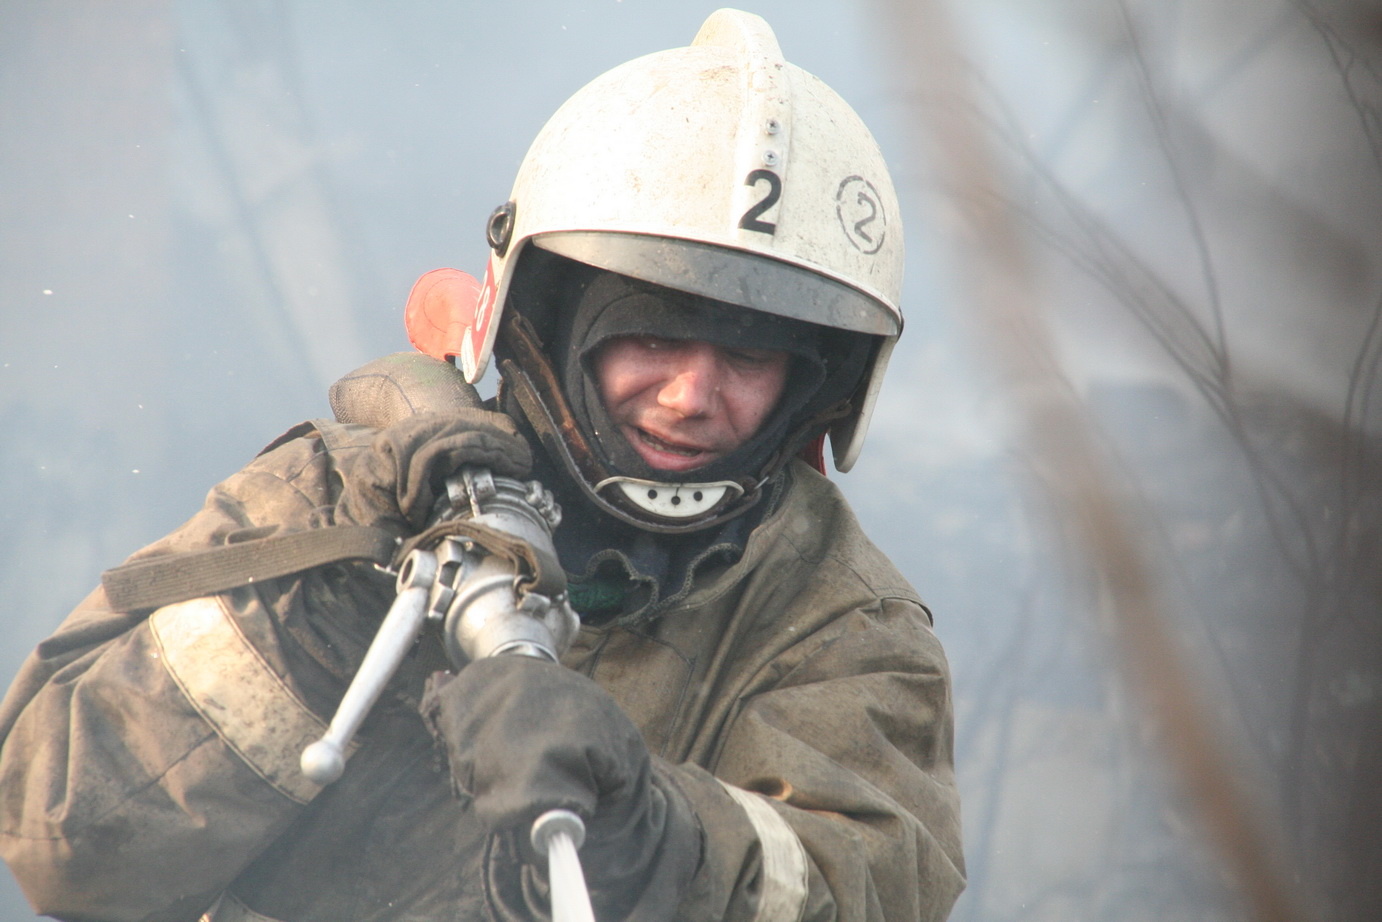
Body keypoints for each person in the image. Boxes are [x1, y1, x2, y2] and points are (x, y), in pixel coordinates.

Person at [0, 9, 964, 921]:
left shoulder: (840, 625)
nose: (689, 396)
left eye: (749, 357)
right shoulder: (342, 501)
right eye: (651, 337)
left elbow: (864, 887)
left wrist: (649, 832)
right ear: (545, 315)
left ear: (816, 384)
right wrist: (329, 606)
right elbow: (57, 835)